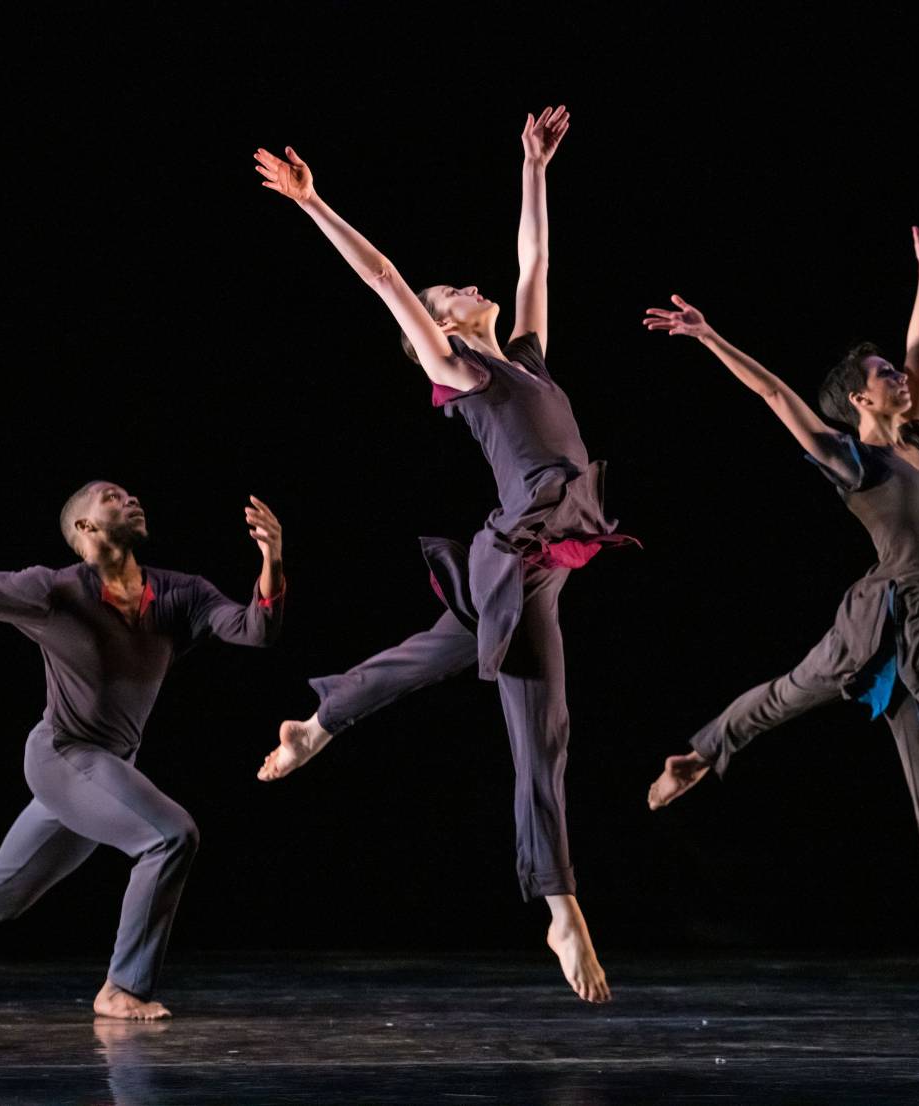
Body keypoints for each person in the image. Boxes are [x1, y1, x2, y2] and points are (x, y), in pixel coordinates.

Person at [251, 106, 633, 1004]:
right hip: (520, 548)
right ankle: (560, 906)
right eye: (450, 294)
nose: (466, 286)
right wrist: (314, 203)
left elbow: (535, 263)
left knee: (446, 649)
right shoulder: (463, 372)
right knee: (542, 728)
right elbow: (385, 279)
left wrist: (533, 165)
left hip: (532, 550)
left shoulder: (526, 357)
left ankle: (319, 721)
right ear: (445, 331)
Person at [641, 213, 919, 967]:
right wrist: (709, 336)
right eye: (883, 376)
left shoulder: (918, 440)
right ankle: (703, 753)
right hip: (882, 616)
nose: (898, 376)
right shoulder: (851, 461)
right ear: (860, 400)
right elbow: (774, 393)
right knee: (787, 694)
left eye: (895, 373)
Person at [0, 483, 286, 1017]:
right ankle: (123, 988)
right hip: (62, 755)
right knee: (170, 836)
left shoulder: (179, 594)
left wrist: (272, 559)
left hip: (108, 771)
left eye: (131, 494)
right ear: (86, 528)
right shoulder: (51, 590)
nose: (131, 498)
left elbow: (255, 630)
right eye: (111, 496)